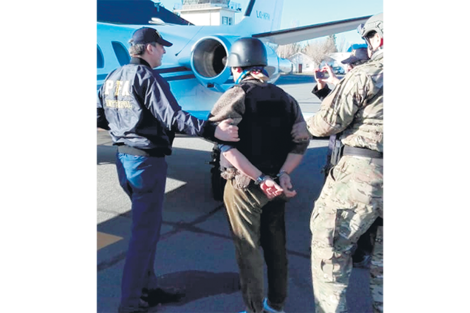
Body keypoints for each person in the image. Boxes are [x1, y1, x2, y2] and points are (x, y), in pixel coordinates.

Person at [95, 27, 240, 313]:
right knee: (143, 236)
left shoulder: (113, 77)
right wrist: (213, 131)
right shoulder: (149, 78)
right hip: (146, 163)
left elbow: (98, 116)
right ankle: (130, 303)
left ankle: (149, 289)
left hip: (124, 162)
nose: (164, 52)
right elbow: (174, 118)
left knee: (146, 230)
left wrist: (125, 130)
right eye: (161, 47)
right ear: (149, 48)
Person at [208, 37, 309, 313]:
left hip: (246, 187)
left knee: (248, 250)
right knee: (276, 247)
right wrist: (283, 174)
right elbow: (300, 143)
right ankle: (276, 305)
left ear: (238, 67)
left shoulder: (236, 94)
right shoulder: (287, 99)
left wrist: (259, 178)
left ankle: (254, 309)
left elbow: (225, 145)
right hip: (277, 185)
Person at [306, 13, 385, 313]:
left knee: (331, 256)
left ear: (377, 37)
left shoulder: (366, 73)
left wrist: (302, 127)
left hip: (360, 180)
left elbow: (327, 123)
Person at [310, 48, 375, 269]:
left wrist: (303, 129)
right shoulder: (353, 84)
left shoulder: (365, 86)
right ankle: (336, 245)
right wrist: (324, 89)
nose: (348, 67)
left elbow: (335, 119)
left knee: (359, 211)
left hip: (354, 161)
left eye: (353, 64)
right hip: (338, 156)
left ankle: (361, 250)